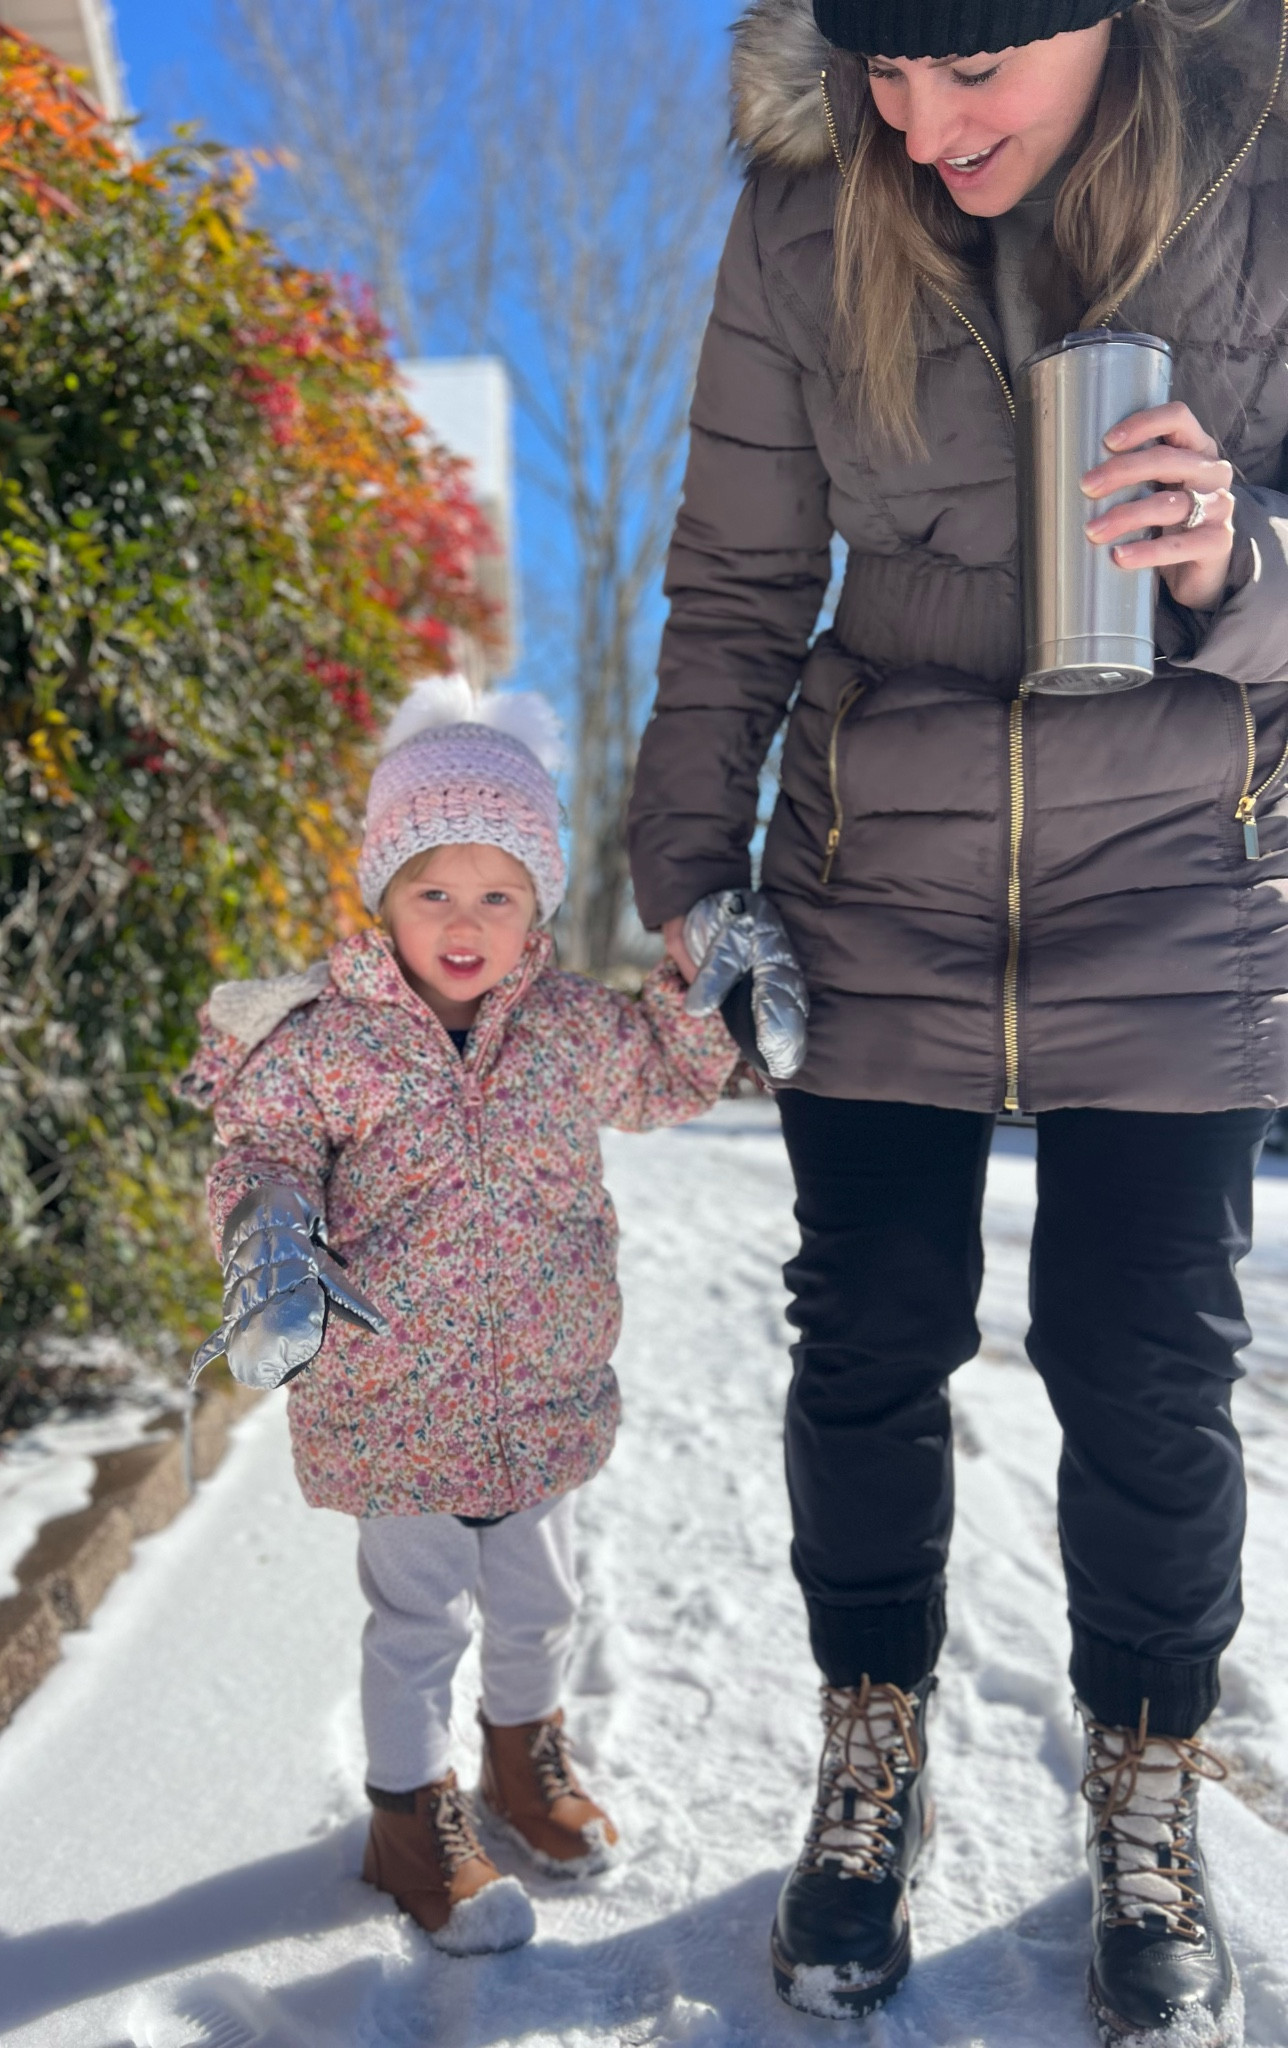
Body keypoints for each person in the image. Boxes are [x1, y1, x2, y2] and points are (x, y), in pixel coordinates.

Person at [628, 0, 1288, 2038]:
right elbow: (738, 576)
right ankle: (869, 1743)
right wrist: (689, 881)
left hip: (1177, 865)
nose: (921, 123)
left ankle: (1148, 1780)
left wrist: (1237, 562)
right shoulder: (810, 212)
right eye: (884, 72)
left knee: (1149, 1359)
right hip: (879, 861)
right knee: (870, 1333)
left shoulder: (1265, 169)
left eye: (973, 70)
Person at [183, 675, 736, 1956]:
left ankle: (520, 1765)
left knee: (542, 1601)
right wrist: (270, 1221)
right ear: (383, 894)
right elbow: (257, 1144)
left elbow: (663, 1073)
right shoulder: (326, 1040)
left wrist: (699, 988)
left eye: (499, 892)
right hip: (392, 1401)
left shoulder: (567, 1027)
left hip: (541, 1390)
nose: (467, 921)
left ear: (537, 899)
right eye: (435, 890)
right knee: (419, 1615)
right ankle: (406, 1812)